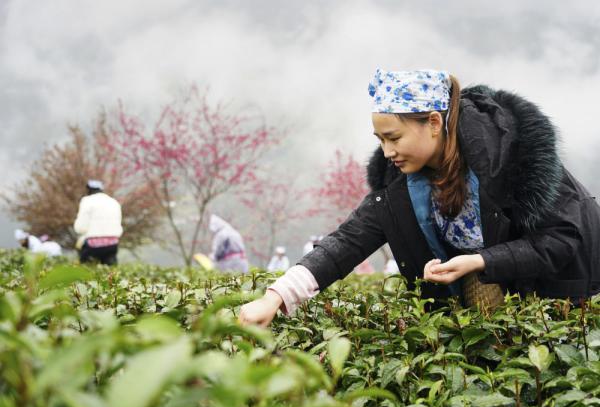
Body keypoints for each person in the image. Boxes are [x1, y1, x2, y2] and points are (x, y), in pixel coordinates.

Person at [239, 68, 600, 327]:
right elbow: (348, 241)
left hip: (566, 291)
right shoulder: (401, 182)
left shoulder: (509, 156)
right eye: (380, 140)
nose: (386, 151)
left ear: (432, 122)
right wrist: (276, 296)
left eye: (394, 138)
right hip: (494, 296)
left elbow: (561, 239)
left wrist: (480, 262)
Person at [74, 180, 123, 265]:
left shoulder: (87, 200)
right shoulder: (114, 202)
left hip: (93, 245)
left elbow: (81, 227)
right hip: (113, 244)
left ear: (89, 190)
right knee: (110, 272)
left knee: (85, 268)